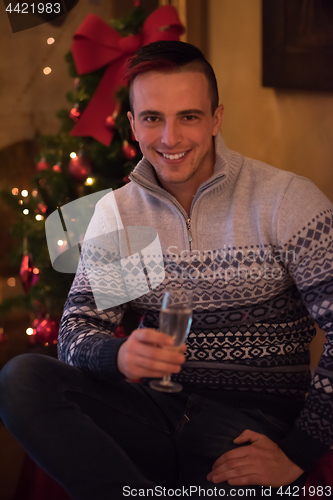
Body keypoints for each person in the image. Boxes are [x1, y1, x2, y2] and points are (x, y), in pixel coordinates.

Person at [0, 40, 333, 500]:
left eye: (189, 117)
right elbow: (78, 331)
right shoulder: (122, 214)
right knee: (21, 380)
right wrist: (117, 356)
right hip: (153, 410)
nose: (170, 139)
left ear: (216, 118)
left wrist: (297, 452)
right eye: (153, 118)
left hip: (249, 425)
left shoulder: (284, 201)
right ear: (133, 124)